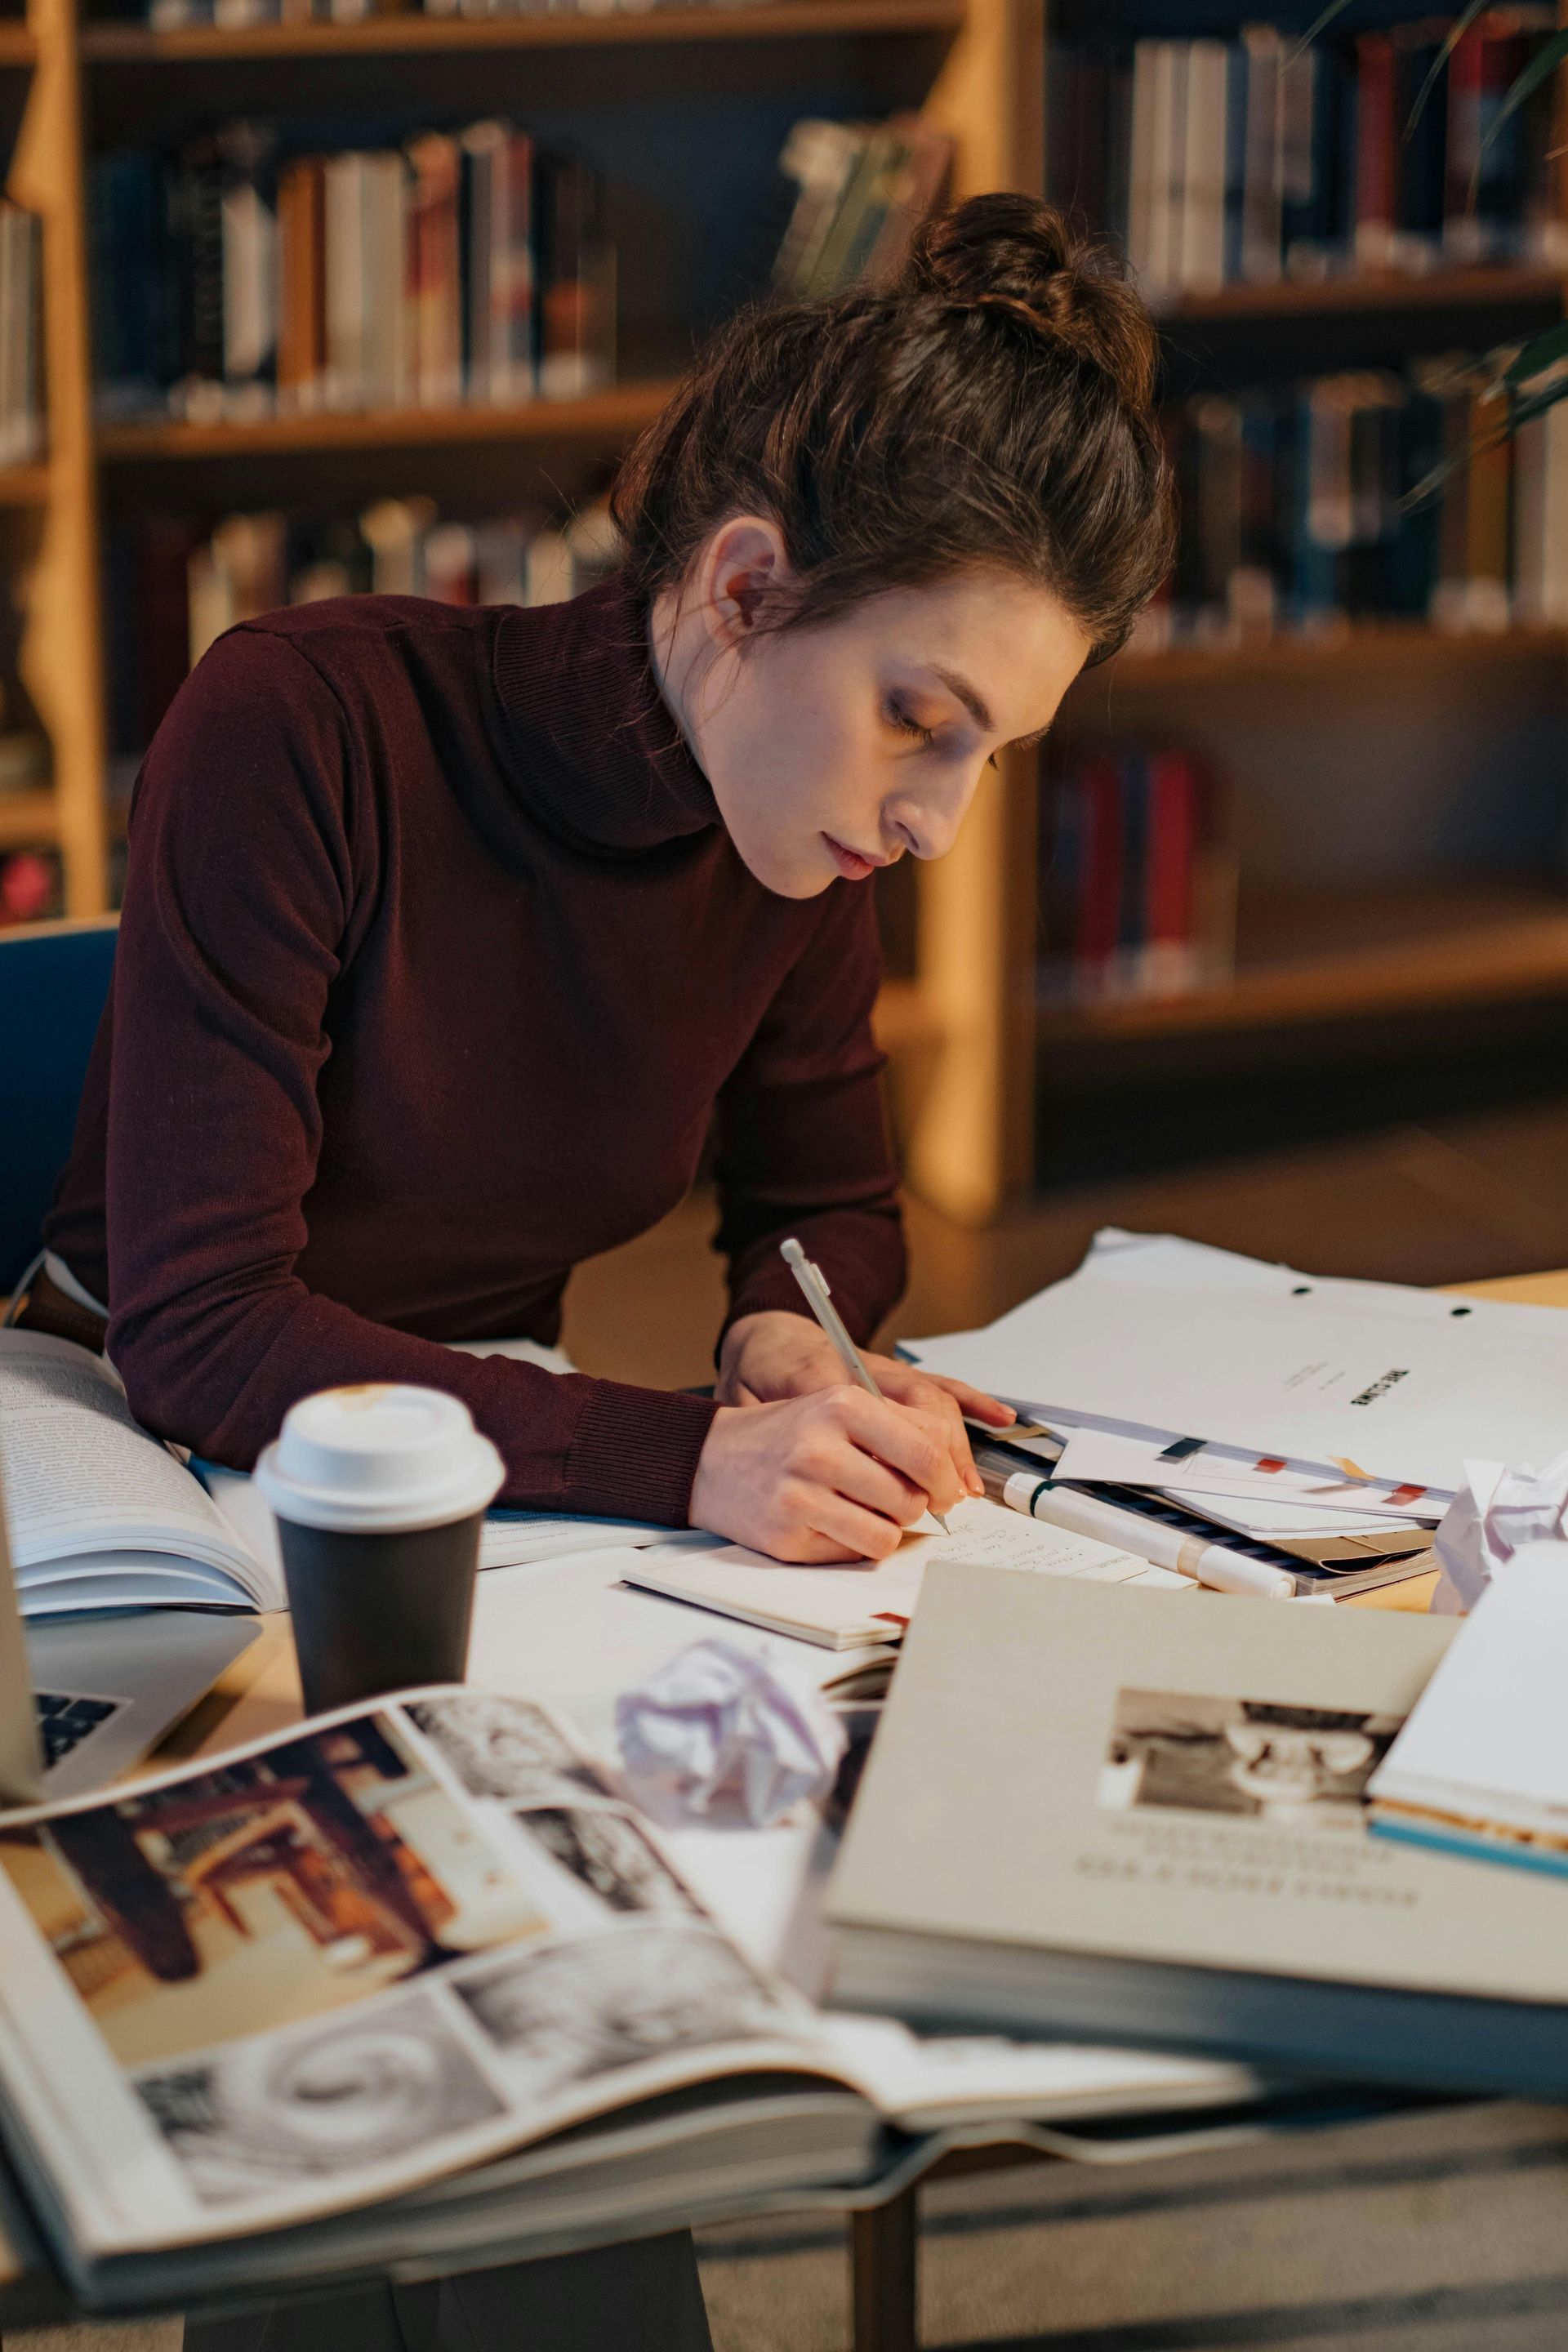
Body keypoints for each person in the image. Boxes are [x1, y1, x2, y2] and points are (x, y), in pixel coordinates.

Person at [24, 191, 1171, 2347]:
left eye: (993, 755)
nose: (938, 821)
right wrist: (687, 1453)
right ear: (742, 588)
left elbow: (832, 1193)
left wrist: (774, 1324)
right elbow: (199, 1323)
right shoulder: (306, 724)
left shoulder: (792, 825)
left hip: (491, 1445)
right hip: (149, 1438)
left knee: (600, 1993)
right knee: (356, 2015)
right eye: (922, 717)